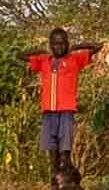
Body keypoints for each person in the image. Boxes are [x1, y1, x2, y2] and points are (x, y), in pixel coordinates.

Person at [24, 26, 103, 169]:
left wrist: (76, 46)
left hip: (66, 110)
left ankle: (67, 176)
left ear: (66, 44)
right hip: (48, 110)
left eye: (62, 43)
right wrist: (41, 51)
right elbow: (21, 55)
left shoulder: (74, 59)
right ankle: (55, 180)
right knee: (52, 150)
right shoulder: (44, 61)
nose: (59, 47)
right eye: (55, 44)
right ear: (50, 45)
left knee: (65, 150)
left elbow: (98, 46)